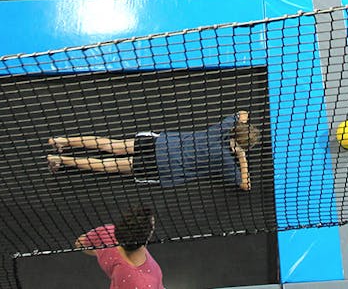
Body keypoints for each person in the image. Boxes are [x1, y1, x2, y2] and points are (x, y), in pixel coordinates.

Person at [47, 111, 257, 191]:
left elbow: (242, 114)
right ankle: (60, 159)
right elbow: (244, 184)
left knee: (111, 144)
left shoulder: (221, 128)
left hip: (159, 144)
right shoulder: (225, 160)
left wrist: (240, 125)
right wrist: (241, 156)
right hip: (161, 167)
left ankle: (61, 140)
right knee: (108, 165)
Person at [75, 206, 163, 289]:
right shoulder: (145, 284)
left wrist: (100, 252)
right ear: (148, 236)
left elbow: (80, 243)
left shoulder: (106, 232)